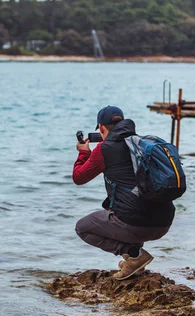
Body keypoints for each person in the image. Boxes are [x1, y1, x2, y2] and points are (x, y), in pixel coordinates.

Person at [72, 106, 175, 280]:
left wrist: (83, 153)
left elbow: (79, 177)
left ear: (102, 128)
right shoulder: (139, 144)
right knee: (129, 205)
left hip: (136, 225)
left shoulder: (104, 149)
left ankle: (134, 254)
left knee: (82, 228)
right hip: (164, 222)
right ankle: (135, 262)